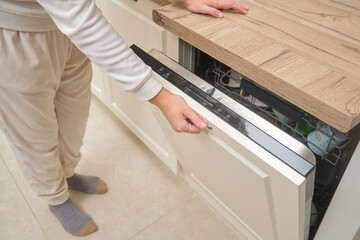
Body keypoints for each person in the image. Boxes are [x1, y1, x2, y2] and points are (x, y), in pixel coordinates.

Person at [0, 0, 249, 236]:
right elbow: (81, 20)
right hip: (17, 35)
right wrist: (159, 96)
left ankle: (67, 174)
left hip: (70, 33)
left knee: (73, 121)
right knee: (35, 135)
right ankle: (56, 198)